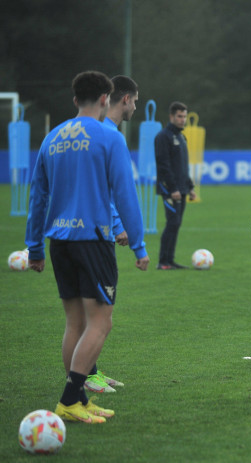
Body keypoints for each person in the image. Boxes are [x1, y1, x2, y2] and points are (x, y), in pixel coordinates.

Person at [25, 71, 150, 424]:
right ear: (105, 98)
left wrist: (34, 247)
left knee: (75, 324)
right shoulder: (107, 136)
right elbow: (125, 195)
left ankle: (80, 399)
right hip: (92, 240)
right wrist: (139, 245)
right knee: (101, 323)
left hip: (59, 242)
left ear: (74, 99)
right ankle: (68, 400)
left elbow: (38, 196)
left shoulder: (53, 137)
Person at [81, 75, 141, 394]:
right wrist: (119, 224)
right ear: (125, 99)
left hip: (85, 233)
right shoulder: (106, 134)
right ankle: (84, 378)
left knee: (94, 313)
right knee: (99, 316)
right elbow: (108, 190)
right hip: (95, 234)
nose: (136, 107)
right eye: (136, 101)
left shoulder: (101, 132)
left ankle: (91, 371)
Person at [155, 101, 195, 269]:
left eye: (184, 116)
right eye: (179, 116)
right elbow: (163, 166)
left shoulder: (181, 136)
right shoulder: (163, 137)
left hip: (182, 189)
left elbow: (183, 166)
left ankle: (170, 260)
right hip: (170, 190)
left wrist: (190, 186)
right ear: (171, 117)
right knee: (172, 223)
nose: (182, 120)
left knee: (176, 224)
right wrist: (172, 189)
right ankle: (163, 261)